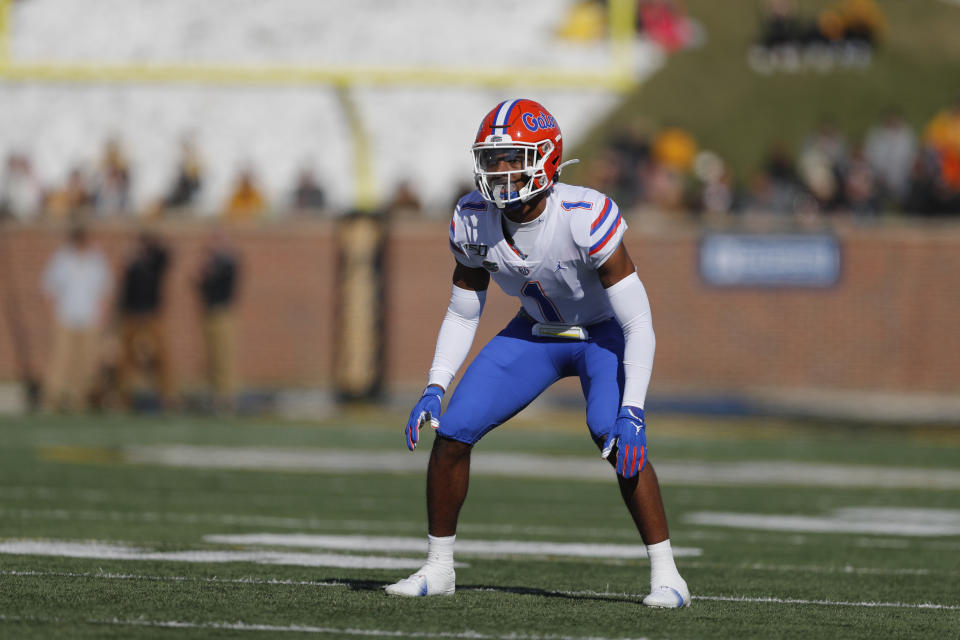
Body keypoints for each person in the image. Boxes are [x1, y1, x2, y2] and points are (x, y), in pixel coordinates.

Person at [385, 99, 690, 608]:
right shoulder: (473, 218)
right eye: (494, 159)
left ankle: (668, 575)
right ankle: (439, 567)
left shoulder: (583, 214)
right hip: (536, 334)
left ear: (546, 158)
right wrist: (436, 384)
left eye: (513, 158)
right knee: (454, 429)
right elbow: (464, 311)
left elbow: (638, 321)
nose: (501, 172)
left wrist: (633, 409)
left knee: (614, 436)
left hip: (599, 335)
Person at [41, 224, 112, 412]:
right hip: (66, 317)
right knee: (61, 360)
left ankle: (79, 400)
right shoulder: (62, 258)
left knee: (86, 361)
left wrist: (102, 317)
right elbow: (49, 289)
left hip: (89, 319)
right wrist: (52, 318)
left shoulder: (97, 259)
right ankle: (53, 399)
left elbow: (104, 291)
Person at [116, 231, 177, 410]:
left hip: (152, 313)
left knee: (161, 354)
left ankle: (168, 395)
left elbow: (167, 255)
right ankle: (124, 396)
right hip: (132, 313)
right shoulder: (131, 264)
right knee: (127, 357)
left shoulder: (155, 260)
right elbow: (125, 289)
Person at [195, 230, 240, 411]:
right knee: (212, 354)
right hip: (209, 312)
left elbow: (218, 278)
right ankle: (216, 393)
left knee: (224, 354)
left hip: (222, 312)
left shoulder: (228, 262)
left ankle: (227, 395)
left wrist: (207, 271)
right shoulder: (214, 263)